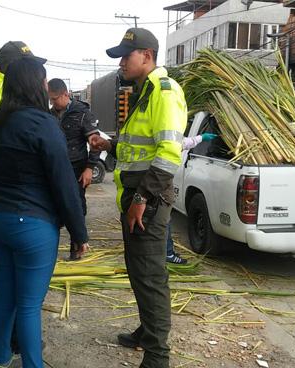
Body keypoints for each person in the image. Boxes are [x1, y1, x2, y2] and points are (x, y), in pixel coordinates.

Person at [0, 58, 88, 368]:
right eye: (43, 81)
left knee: (5, 296)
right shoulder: (42, 123)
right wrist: (79, 232)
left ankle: (0, 359)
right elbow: (63, 182)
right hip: (30, 224)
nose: (46, 87)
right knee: (27, 305)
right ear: (33, 85)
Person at [91, 28, 187, 368]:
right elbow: (139, 146)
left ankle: (158, 356)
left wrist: (142, 199)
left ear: (146, 55)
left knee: (149, 275)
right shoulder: (143, 92)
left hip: (148, 198)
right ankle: (148, 332)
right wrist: (110, 145)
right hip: (136, 195)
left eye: (125, 56)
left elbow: (168, 155)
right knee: (138, 271)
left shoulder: (164, 91)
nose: (121, 63)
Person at [0, 40, 47, 355]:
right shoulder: (1, 97)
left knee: (4, 269)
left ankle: (4, 346)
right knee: (11, 282)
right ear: (15, 68)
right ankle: (14, 339)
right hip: (11, 188)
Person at [48, 78, 98, 261]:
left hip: (77, 169)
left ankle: (77, 247)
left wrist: (89, 168)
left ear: (65, 94)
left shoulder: (83, 113)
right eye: (50, 100)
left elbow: (94, 142)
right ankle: (48, 249)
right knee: (53, 207)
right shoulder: (49, 115)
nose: (53, 103)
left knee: (76, 206)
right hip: (55, 169)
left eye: (55, 99)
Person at [165, 133, 217, 264]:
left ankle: (164, 252)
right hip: (161, 179)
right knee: (162, 219)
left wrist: (201, 138)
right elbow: (180, 144)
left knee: (160, 219)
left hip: (158, 178)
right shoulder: (166, 136)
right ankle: (167, 253)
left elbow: (182, 143)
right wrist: (201, 138)